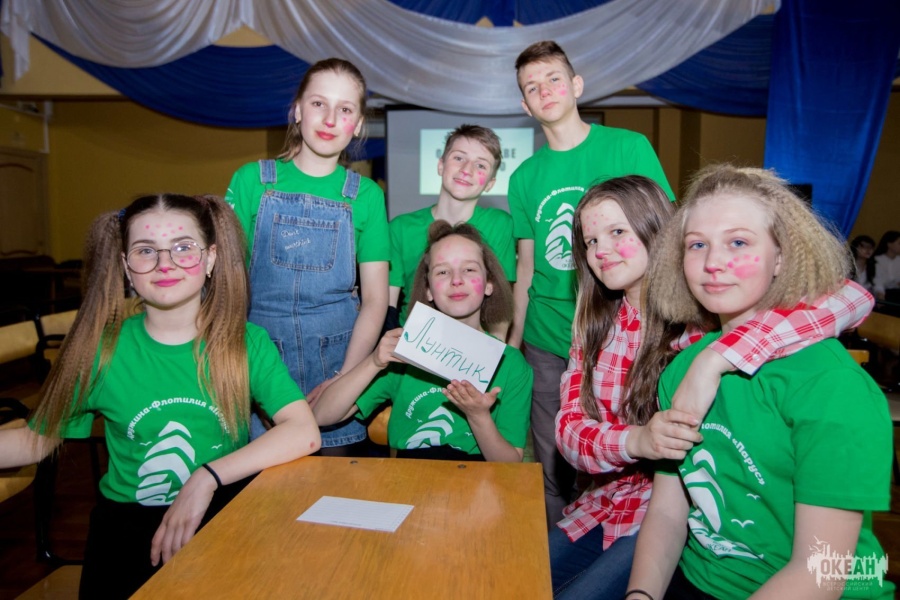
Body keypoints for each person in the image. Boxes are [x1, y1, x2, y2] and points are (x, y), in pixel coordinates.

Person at [551, 176, 874, 599]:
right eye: (590, 241)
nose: (601, 251)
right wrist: (639, 440)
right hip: (606, 503)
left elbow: (850, 299)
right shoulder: (594, 324)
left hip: (678, 517)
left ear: (659, 234)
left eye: (617, 232)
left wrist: (715, 357)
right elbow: (569, 430)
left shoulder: (705, 315)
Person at [0, 194, 321, 599]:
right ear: (125, 267)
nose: (165, 264)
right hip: (125, 534)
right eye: (146, 250)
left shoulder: (245, 343)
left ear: (210, 259)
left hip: (223, 514)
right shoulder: (98, 351)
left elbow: (303, 431)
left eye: (183, 248)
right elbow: (35, 441)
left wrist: (205, 478)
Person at [508, 40, 676, 526]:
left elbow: (665, 236)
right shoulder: (523, 177)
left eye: (554, 79)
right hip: (547, 341)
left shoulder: (628, 147)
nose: (545, 91)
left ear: (576, 85)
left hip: (627, 336)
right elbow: (526, 269)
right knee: (552, 464)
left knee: (636, 457)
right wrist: (514, 347)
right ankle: (556, 551)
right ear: (525, 105)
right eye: (532, 87)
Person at [225, 58, 389, 455]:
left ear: (358, 125)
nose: (330, 119)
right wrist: (241, 370)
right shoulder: (251, 180)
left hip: (337, 367)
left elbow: (375, 301)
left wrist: (344, 379)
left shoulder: (367, 196)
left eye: (345, 109)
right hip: (260, 366)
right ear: (297, 110)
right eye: (319, 104)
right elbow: (227, 287)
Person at [314, 221, 531, 462]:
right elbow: (322, 416)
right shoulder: (405, 353)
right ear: (428, 290)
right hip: (408, 476)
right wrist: (373, 362)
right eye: (442, 272)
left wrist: (478, 416)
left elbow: (511, 463)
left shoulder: (511, 364)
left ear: (489, 284)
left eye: (469, 269)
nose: (456, 280)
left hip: (479, 478)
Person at [389, 124, 516, 338]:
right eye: (459, 158)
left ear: (490, 183)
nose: (466, 169)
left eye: (481, 165)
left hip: (474, 344)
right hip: (412, 341)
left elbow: (500, 305)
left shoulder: (500, 225)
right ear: (441, 165)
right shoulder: (400, 228)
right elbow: (388, 306)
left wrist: (497, 348)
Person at [872, 230, 900, 300]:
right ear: (889, 244)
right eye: (899, 243)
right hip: (883, 294)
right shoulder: (877, 260)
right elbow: (877, 281)